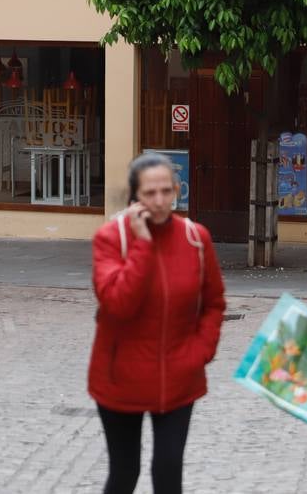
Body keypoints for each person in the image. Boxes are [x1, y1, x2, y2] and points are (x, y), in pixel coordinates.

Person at [87, 152, 226, 494]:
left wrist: (200, 352)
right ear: (135, 195)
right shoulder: (111, 238)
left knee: (168, 473)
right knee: (124, 473)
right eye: (150, 193)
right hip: (121, 378)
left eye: (167, 191)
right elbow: (119, 304)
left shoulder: (195, 238)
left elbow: (214, 303)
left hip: (180, 376)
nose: (160, 201)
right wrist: (142, 247)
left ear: (178, 189)